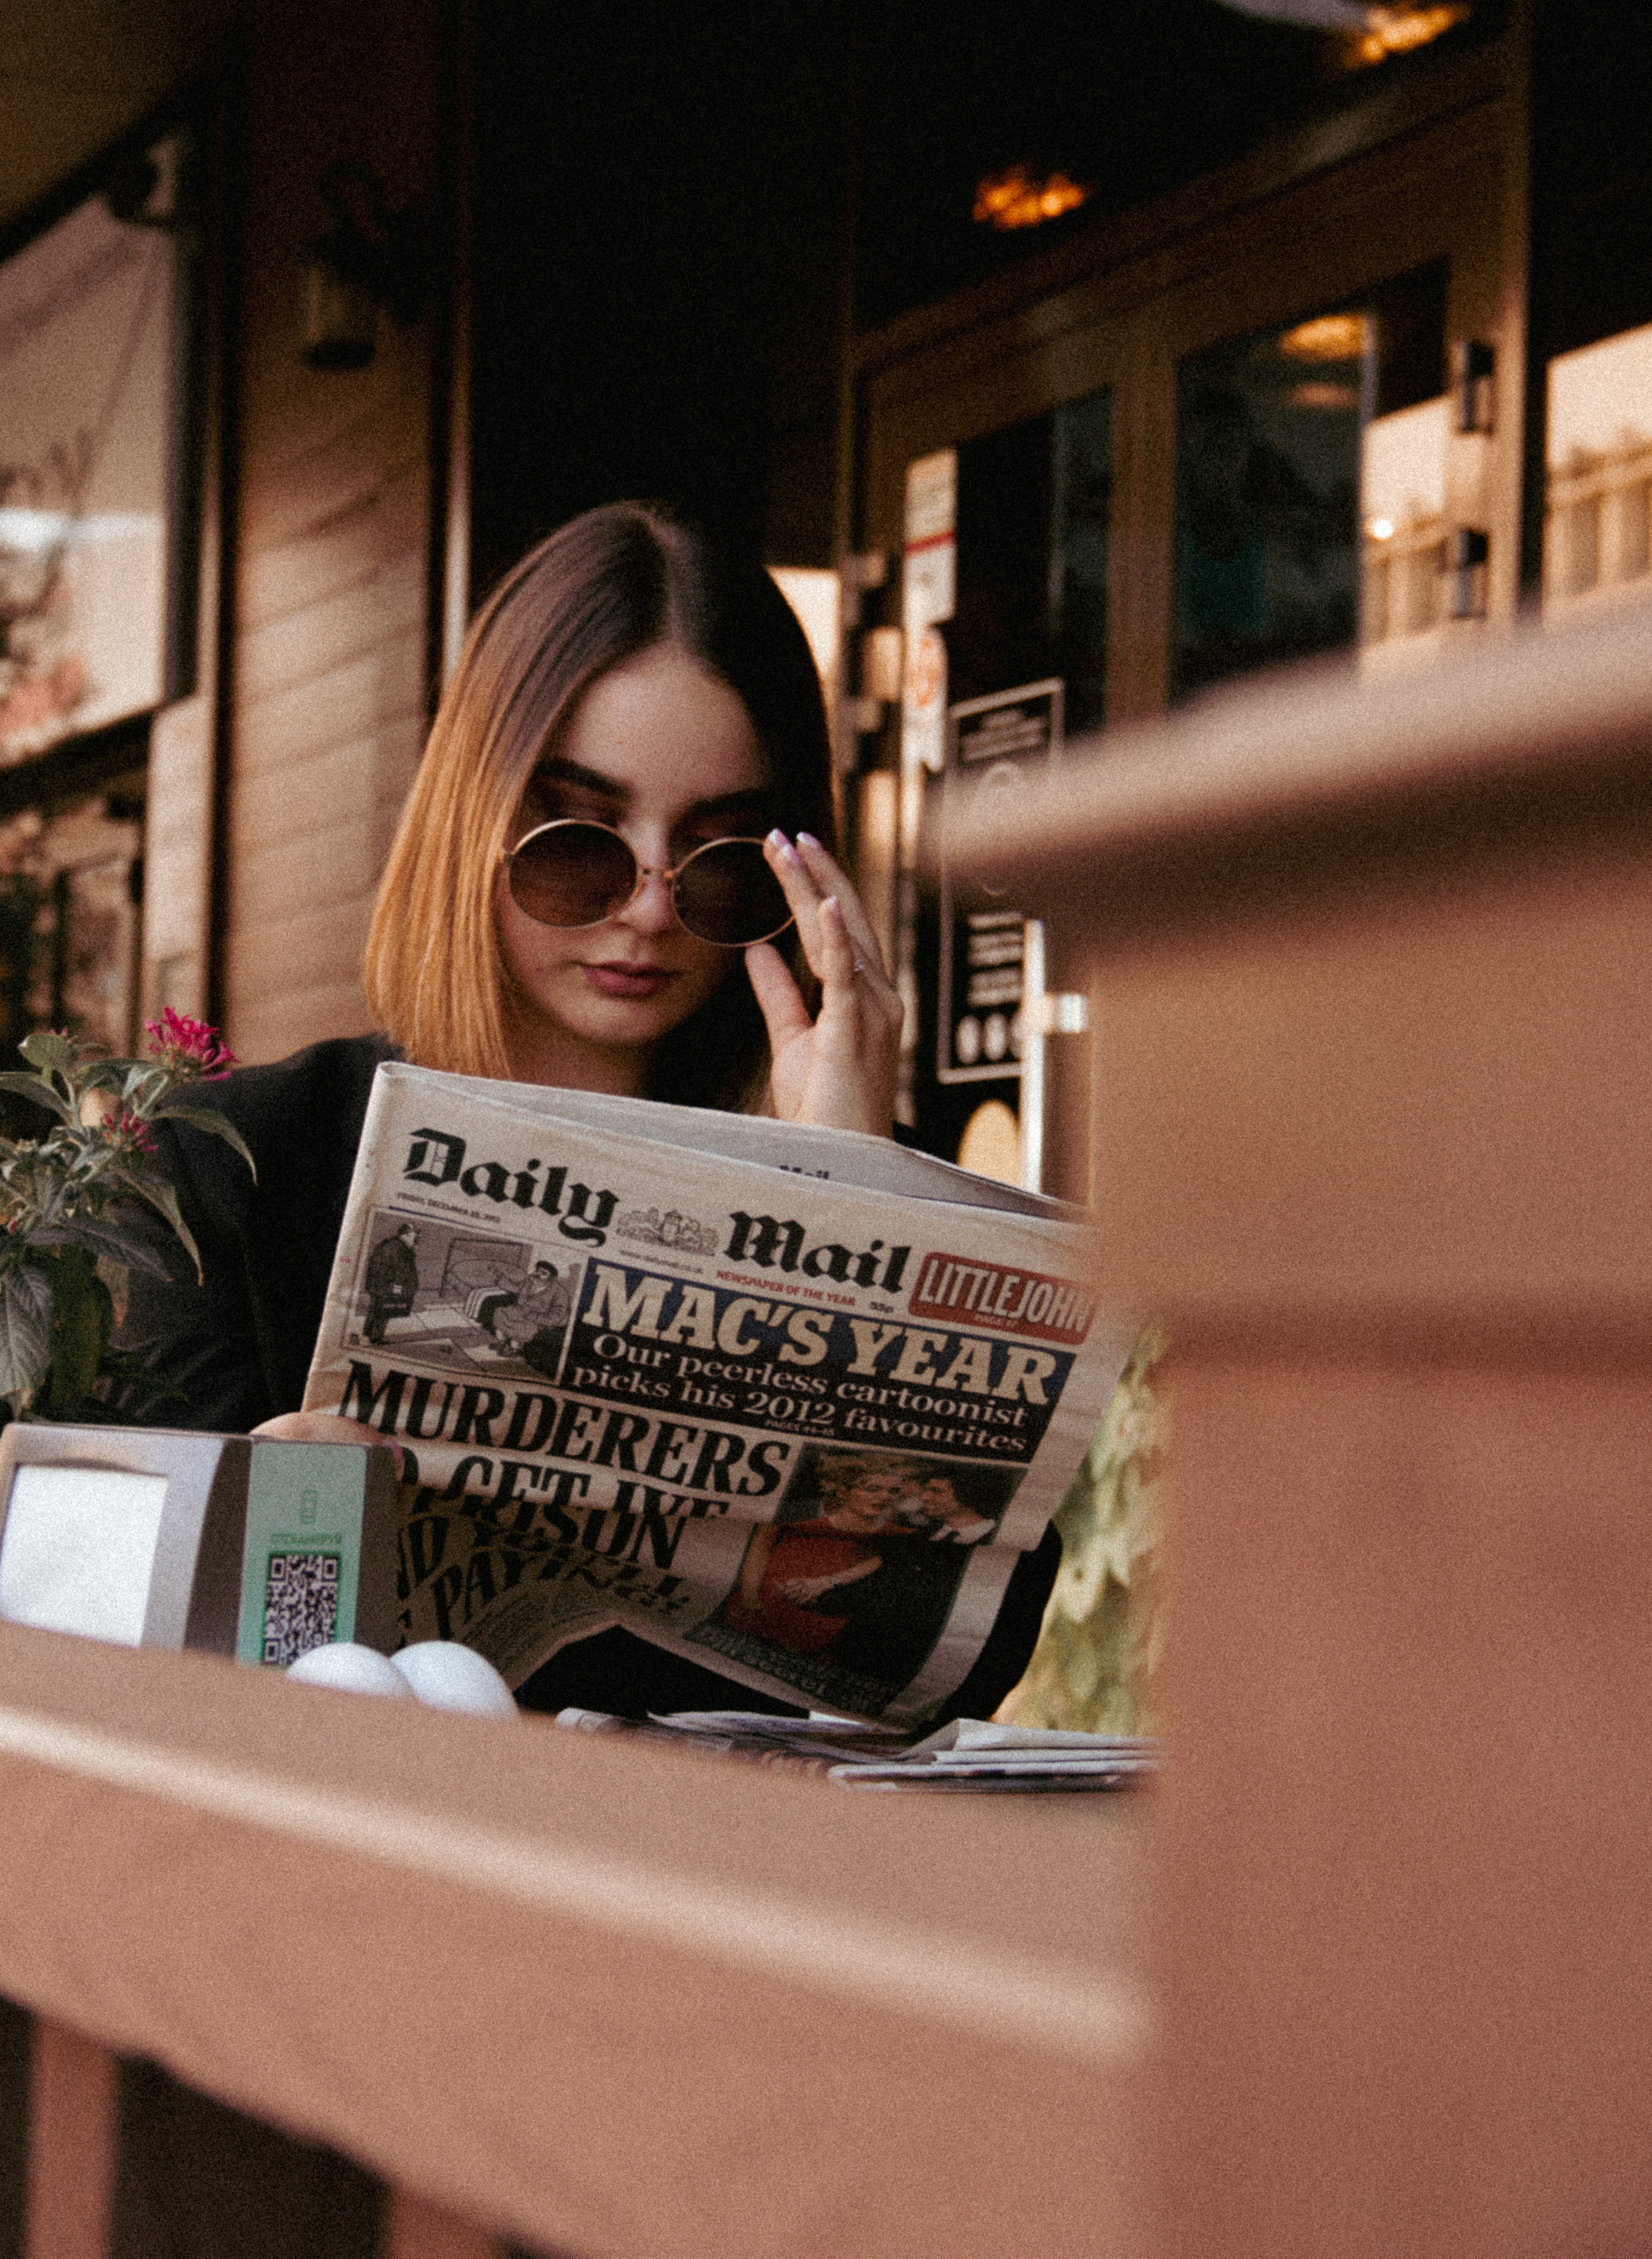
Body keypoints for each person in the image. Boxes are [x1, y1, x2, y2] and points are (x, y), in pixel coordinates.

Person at [132, 500, 1056, 1717]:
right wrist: (265, 1533)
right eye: (579, 837)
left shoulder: (845, 1154)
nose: (650, 910)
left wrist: (855, 1198)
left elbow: (960, 1674)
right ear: (474, 818)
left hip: (719, 1883)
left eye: (721, 855)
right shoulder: (231, 1173)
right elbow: (105, 1644)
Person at [718, 1457, 912, 1657]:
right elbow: (760, 1548)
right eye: (873, 1489)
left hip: (826, 1623)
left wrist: (827, 1582)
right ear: (843, 1493)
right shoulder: (796, 1518)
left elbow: (887, 1562)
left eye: (893, 1491)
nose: (885, 1497)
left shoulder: (902, 1535)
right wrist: (749, 1596)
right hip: (761, 1604)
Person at [361, 1221, 419, 1345]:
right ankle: (372, 1338)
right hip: (386, 1287)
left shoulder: (398, 1246)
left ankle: (372, 1337)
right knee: (381, 1312)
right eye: (415, 1235)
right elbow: (392, 1270)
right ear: (407, 1234)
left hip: (385, 1286)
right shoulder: (395, 1247)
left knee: (381, 1311)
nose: (417, 1238)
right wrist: (395, 1287)